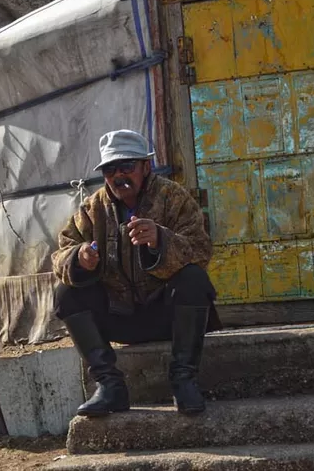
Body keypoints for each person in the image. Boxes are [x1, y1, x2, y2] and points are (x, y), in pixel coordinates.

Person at [52, 129, 218, 417]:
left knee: (193, 279)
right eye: (110, 170)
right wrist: (79, 259)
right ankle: (110, 386)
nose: (118, 176)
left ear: (146, 166)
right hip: (119, 317)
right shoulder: (93, 208)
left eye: (126, 167)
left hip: (167, 315)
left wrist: (161, 240)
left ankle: (184, 380)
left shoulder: (173, 199)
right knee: (66, 292)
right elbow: (61, 252)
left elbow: (201, 249)